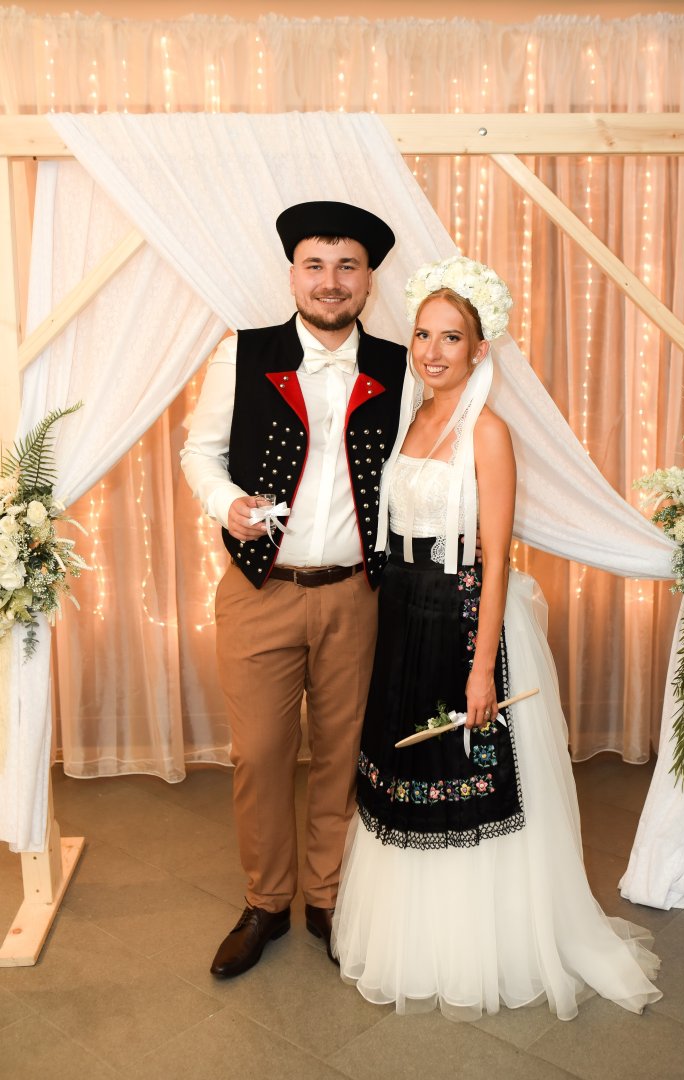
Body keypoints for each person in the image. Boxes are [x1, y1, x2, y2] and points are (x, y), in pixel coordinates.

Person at [331, 256, 663, 1021]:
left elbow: (494, 558)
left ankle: (476, 947)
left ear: (479, 350)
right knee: (402, 773)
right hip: (401, 620)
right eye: (422, 335)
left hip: (460, 621)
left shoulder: (487, 432)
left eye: (450, 338)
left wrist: (481, 670)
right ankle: (409, 940)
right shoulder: (409, 419)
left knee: (464, 775)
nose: (432, 351)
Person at [180, 201, 407, 978]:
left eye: (346, 266)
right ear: (292, 275)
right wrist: (226, 505)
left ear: (368, 280)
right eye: (315, 265)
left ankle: (329, 898)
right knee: (260, 755)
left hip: (358, 596)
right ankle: (266, 903)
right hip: (259, 590)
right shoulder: (241, 353)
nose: (330, 281)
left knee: (343, 754)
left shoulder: (400, 366)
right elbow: (199, 452)